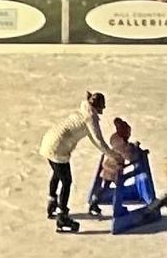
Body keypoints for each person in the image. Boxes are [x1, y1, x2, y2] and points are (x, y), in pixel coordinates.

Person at [40, 90, 113, 227]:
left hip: (48, 141)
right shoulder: (90, 117)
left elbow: (93, 138)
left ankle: (52, 201)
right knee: (66, 181)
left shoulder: (83, 111)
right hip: (58, 148)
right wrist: (113, 155)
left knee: (57, 174)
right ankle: (62, 216)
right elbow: (98, 140)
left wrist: (108, 152)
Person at [86, 117, 134, 218]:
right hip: (113, 170)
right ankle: (113, 205)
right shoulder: (122, 145)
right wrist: (134, 150)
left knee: (106, 187)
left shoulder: (115, 138)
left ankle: (95, 203)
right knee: (117, 188)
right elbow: (128, 156)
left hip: (108, 167)